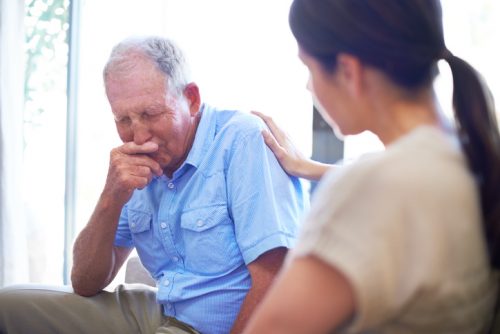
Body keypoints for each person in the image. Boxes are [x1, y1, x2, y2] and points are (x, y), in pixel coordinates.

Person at [0, 36, 307, 334]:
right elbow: (85, 282)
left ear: (192, 98)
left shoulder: (242, 140)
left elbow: (276, 277)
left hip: (216, 324)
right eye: (124, 120)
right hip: (162, 311)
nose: (139, 136)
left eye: (150, 114)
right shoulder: (133, 168)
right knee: (7, 306)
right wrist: (112, 196)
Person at [244, 0, 500, 333]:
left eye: (309, 68)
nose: (309, 87)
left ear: (349, 71)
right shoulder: (468, 154)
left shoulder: (373, 188)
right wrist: (308, 167)